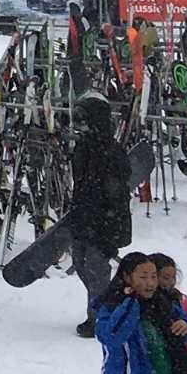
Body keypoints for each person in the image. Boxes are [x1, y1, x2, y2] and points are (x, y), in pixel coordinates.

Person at [64, 92, 134, 334]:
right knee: (80, 264)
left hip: (104, 220)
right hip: (83, 216)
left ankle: (99, 318)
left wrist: (109, 227)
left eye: (83, 120)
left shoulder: (111, 152)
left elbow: (117, 194)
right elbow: (81, 183)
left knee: (96, 268)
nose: (79, 126)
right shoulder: (83, 148)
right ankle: (111, 300)